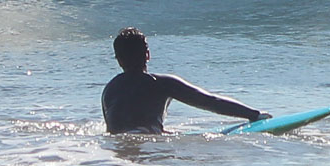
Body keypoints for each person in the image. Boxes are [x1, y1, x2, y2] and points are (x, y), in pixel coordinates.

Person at [102, 27, 270, 134]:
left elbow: (117, 129)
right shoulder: (161, 84)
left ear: (118, 60)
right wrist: (253, 114)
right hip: (147, 142)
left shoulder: (109, 90)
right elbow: (210, 101)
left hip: (118, 151)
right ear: (147, 55)